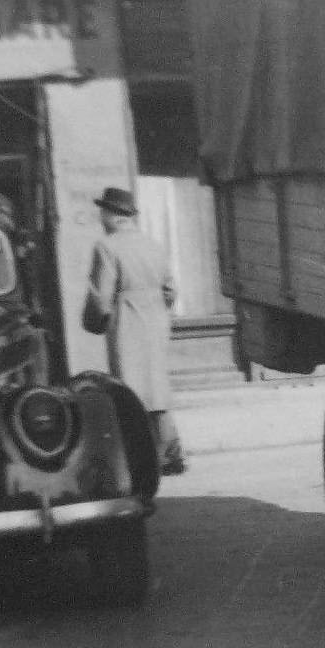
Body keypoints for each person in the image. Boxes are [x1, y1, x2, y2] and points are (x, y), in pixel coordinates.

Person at [82, 186, 184, 477]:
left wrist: (94, 323)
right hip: (156, 321)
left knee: (130, 389)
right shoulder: (154, 245)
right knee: (157, 388)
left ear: (112, 215)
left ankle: (140, 457)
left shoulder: (107, 246)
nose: (101, 216)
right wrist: (157, 308)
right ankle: (170, 453)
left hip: (126, 321)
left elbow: (100, 298)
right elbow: (170, 289)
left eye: (103, 211)